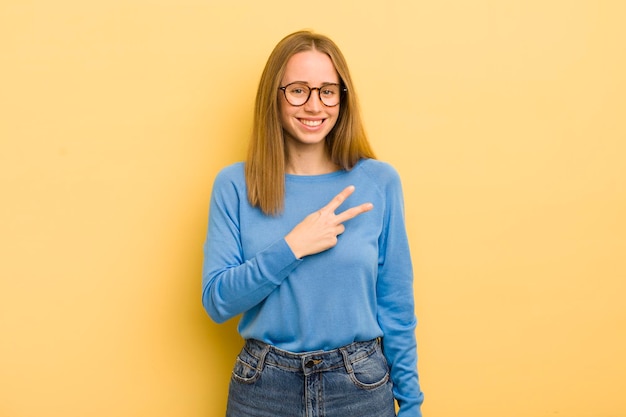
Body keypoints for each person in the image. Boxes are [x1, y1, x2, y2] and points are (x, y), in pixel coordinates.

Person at [202, 30, 424, 417]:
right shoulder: (235, 185)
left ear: (342, 97)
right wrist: (293, 246)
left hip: (359, 387)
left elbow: (397, 309)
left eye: (327, 90)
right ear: (275, 95)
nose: (314, 105)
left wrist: (411, 405)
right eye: (298, 90)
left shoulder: (379, 181)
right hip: (263, 391)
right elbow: (218, 302)